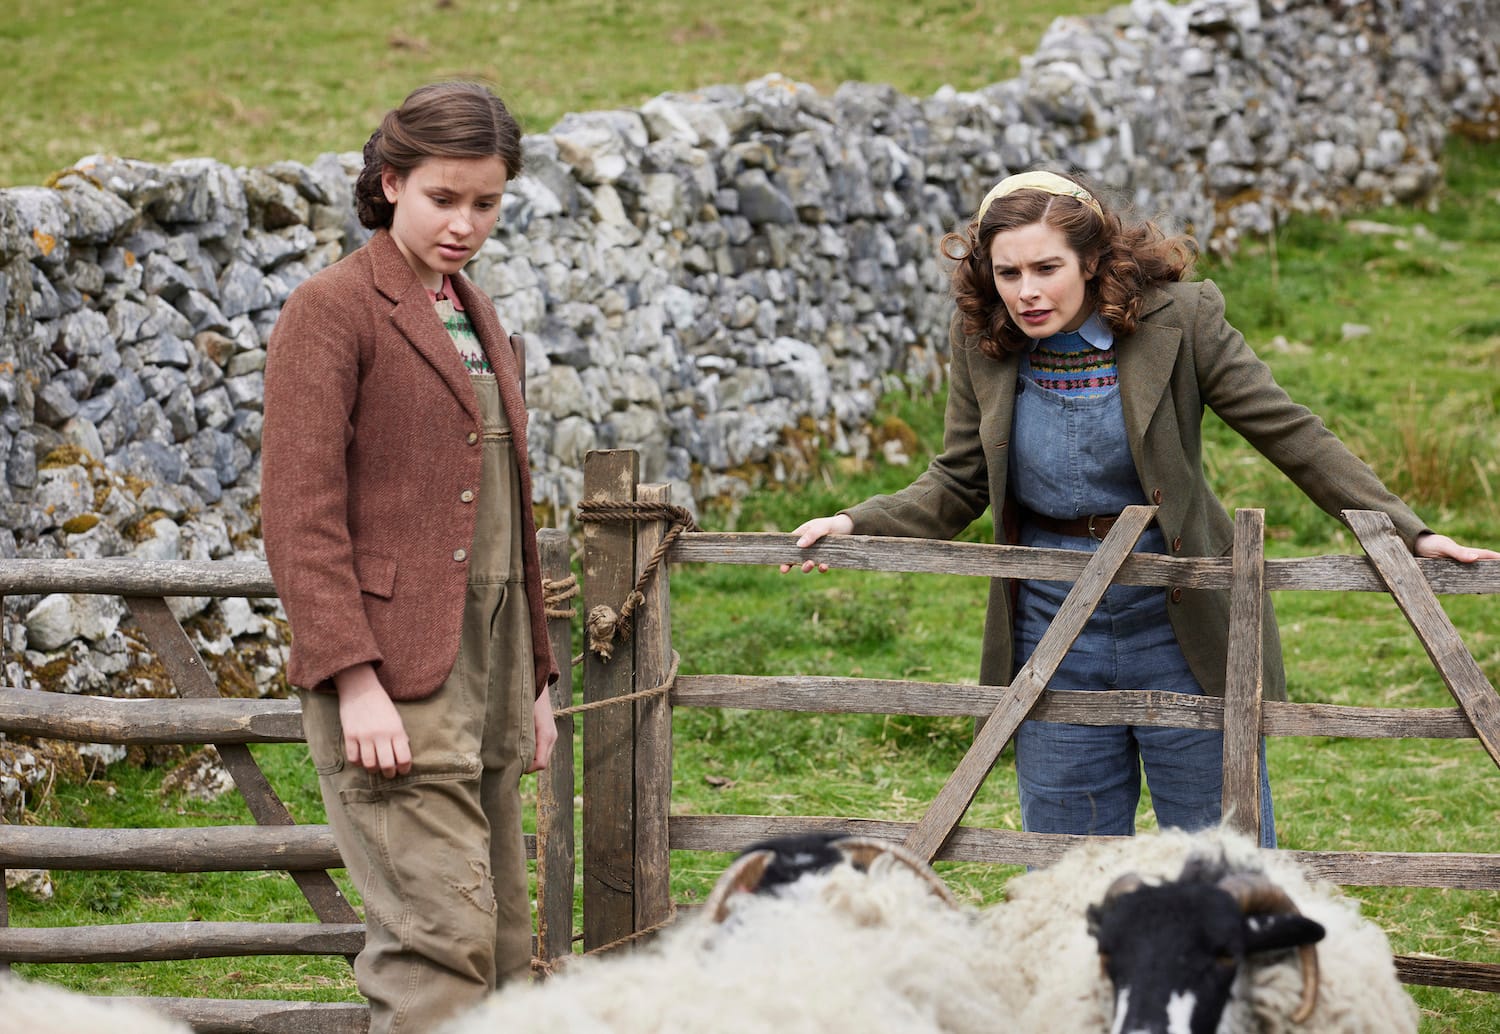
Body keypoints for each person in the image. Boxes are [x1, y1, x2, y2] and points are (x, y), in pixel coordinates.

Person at [783, 169, 1497, 846]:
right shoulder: (982, 340)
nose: (1026, 292)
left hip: (1179, 610)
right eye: (1008, 274)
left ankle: (1240, 977)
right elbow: (959, 479)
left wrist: (1410, 532)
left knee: (1219, 853)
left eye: (1046, 269)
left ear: (1091, 259)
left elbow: (1289, 431)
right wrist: (855, 521)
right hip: (1049, 620)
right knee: (1072, 859)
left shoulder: (1180, 320)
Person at [260, 81, 559, 1034]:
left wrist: (539, 680)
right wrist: (353, 680)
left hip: (496, 673)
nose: (466, 223)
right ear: (391, 184)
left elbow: (507, 512)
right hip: (394, 678)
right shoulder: (332, 310)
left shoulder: (476, 314)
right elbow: (298, 516)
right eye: (444, 198)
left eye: (487, 203)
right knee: (440, 946)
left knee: (507, 949)